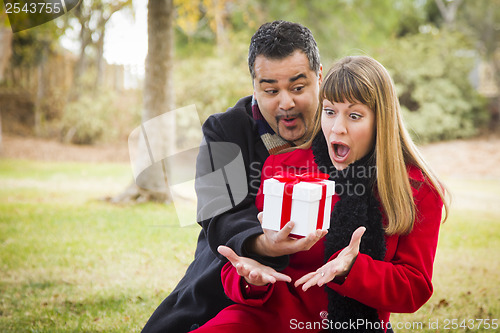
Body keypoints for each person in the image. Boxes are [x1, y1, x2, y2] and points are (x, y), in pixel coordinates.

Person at [194, 55, 449, 332]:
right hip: (266, 321)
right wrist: (250, 279)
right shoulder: (283, 167)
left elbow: (414, 288)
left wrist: (354, 268)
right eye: (329, 111)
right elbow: (237, 267)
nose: (337, 128)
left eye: (354, 115)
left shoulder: (416, 190)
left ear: (381, 121)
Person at [142, 21, 324, 332]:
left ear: (319, 76)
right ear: (254, 85)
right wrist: (263, 243)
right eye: (270, 90)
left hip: (320, 287)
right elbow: (218, 215)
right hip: (235, 273)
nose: (286, 103)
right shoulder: (225, 131)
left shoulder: (340, 127)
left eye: (297, 87)